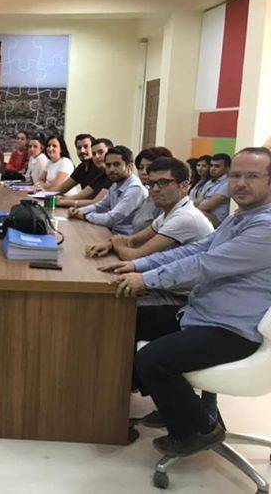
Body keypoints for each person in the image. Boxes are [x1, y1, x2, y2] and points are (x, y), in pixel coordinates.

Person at [107, 147, 271, 456]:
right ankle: (164, 405)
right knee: (126, 321)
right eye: (236, 176)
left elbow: (205, 264)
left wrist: (147, 279)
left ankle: (200, 430)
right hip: (202, 313)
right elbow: (197, 250)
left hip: (233, 330)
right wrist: (138, 265)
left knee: (153, 359)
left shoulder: (265, 227)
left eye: (252, 176)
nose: (240, 183)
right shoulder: (242, 217)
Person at [88, 157, 213, 262]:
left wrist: (118, 246)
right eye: (152, 184)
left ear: (184, 186)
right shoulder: (170, 212)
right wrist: (109, 245)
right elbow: (133, 241)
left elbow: (133, 256)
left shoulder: (184, 217)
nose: (155, 189)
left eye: (163, 182)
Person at [68, 146, 147, 235]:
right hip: (113, 234)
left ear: (130, 166)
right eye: (108, 165)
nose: (111, 169)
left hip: (126, 238)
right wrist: (79, 210)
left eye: (116, 164)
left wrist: (85, 216)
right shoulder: (116, 184)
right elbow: (100, 206)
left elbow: (111, 219)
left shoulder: (135, 189)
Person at [56, 138, 114, 208]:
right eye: (94, 154)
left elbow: (97, 203)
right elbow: (82, 194)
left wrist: (64, 202)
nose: (97, 156)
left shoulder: (113, 175)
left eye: (101, 152)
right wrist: (62, 199)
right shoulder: (102, 175)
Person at [130, 147, 174, 233]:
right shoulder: (148, 197)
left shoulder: (164, 201)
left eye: (149, 168)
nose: (144, 172)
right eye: (141, 167)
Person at [194, 153, 231, 227]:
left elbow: (207, 206)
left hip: (217, 221)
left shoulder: (228, 184)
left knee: (190, 214)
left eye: (217, 166)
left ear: (227, 168)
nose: (212, 169)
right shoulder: (209, 182)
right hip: (204, 214)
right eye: (211, 165)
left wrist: (190, 209)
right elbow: (198, 201)